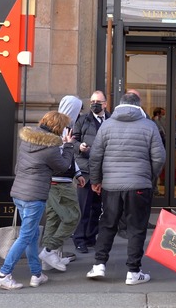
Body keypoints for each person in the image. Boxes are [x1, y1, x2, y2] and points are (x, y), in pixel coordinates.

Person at [85, 92, 165, 285]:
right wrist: (149, 176)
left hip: (111, 185)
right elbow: (159, 157)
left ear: (119, 105)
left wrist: (96, 180)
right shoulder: (149, 126)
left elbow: (95, 156)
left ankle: (99, 265)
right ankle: (133, 271)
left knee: (107, 224)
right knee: (137, 227)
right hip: (139, 185)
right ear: (138, 105)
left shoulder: (107, 125)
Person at [0, 111, 75, 290]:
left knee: (32, 236)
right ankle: (3, 274)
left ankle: (37, 274)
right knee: (25, 237)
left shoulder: (27, 140)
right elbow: (63, 166)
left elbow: (17, 167)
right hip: (34, 196)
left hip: (19, 193)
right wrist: (69, 146)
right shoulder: (51, 147)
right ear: (58, 128)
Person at [38, 96, 85, 272]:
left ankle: (48, 258)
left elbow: (66, 156)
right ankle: (49, 252)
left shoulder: (57, 126)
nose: (79, 113)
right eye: (78, 109)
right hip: (60, 182)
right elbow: (62, 156)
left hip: (54, 181)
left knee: (53, 219)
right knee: (72, 216)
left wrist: (77, 172)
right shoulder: (62, 129)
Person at [71, 90, 110, 253]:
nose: (94, 104)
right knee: (83, 206)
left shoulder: (111, 120)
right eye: (92, 101)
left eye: (98, 102)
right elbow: (72, 139)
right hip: (86, 170)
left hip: (105, 171)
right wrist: (79, 147)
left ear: (105, 104)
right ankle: (79, 239)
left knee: (97, 207)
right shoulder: (82, 120)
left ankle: (91, 236)